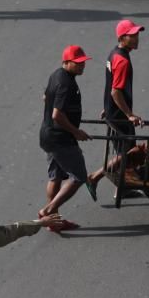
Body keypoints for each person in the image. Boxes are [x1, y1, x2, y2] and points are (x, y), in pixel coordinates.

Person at [39, 45, 98, 232]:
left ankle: (53, 221)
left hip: (48, 135)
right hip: (60, 139)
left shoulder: (56, 75)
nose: (82, 66)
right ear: (66, 62)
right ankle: (48, 210)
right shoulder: (66, 83)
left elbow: (45, 97)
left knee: (55, 176)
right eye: (78, 63)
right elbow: (57, 114)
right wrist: (76, 132)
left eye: (83, 63)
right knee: (79, 176)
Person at [88, 20, 146, 191]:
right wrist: (129, 115)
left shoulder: (114, 54)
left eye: (137, 35)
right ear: (122, 37)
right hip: (119, 115)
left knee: (127, 152)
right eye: (132, 35)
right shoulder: (122, 61)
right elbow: (115, 91)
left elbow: (110, 85)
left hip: (113, 111)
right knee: (128, 153)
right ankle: (94, 177)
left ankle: (122, 188)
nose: (136, 38)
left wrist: (107, 107)